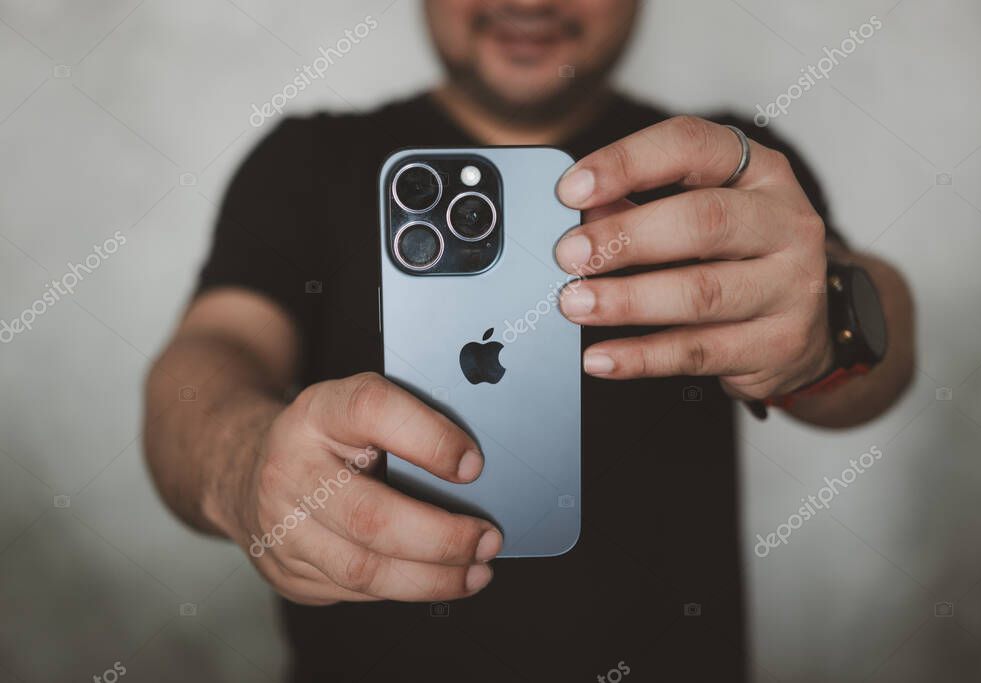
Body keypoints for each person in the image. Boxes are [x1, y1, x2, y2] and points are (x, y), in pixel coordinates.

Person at [143, 1, 914, 679]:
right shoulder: (305, 163)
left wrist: (829, 326)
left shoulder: (722, 163)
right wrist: (241, 463)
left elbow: (881, 355)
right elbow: (207, 359)